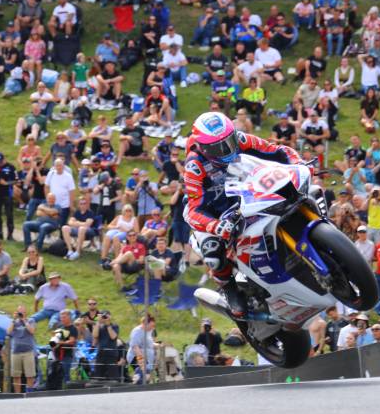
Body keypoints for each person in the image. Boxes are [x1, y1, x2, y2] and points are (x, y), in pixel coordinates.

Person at [183, 112, 302, 314]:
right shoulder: (194, 166)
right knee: (213, 253)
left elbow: (276, 151)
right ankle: (229, 289)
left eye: (229, 141)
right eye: (218, 147)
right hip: (215, 212)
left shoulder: (241, 139)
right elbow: (194, 209)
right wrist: (214, 225)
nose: (227, 149)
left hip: (247, 196)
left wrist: (298, 164)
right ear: (203, 147)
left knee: (291, 195)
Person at [7, 305, 36, 394]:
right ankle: (17, 394)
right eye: (20, 312)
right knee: (16, 375)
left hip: (28, 351)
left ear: (26, 313)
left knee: (30, 375)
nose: (21, 313)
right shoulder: (14, 322)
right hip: (16, 352)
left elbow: (32, 331)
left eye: (23, 312)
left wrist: (24, 320)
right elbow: (8, 332)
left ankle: (29, 392)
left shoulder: (31, 320)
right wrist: (13, 320)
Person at [127, 314, 156, 383]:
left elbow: (150, 344)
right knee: (143, 376)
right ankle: (137, 382)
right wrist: (141, 361)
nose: (153, 328)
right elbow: (135, 347)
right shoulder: (137, 331)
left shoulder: (149, 331)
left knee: (147, 377)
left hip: (148, 358)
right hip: (137, 357)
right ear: (145, 323)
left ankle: (138, 380)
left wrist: (159, 345)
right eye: (151, 326)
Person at [92, 310, 120, 380]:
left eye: (106, 316)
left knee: (113, 375)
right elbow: (95, 335)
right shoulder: (98, 326)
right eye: (103, 316)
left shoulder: (114, 326)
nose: (104, 318)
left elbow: (113, 337)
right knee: (98, 375)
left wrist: (108, 325)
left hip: (111, 353)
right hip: (100, 353)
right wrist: (98, 322)